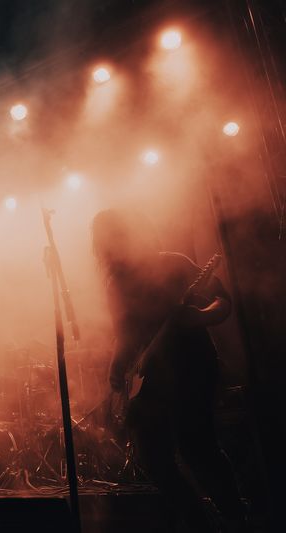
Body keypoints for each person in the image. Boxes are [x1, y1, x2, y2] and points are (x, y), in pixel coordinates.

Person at [92, 208, 245, 532]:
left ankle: (235, 517)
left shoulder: (173, 263)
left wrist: (199, 316)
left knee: (197, 446)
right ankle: (198, 520)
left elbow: (223, 301)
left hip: (192, 364)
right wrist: (117, 364)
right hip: (151, 376)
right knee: (152, 456)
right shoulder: (115, 282)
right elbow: (126, 332)